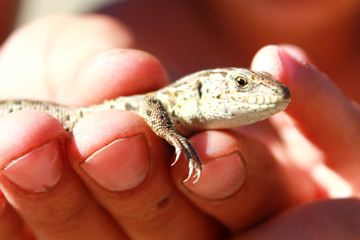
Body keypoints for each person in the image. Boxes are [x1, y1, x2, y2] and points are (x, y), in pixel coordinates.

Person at [0, 0, 359, 239]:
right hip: (50, 120)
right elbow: (151, 110)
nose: (258, 92)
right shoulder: (167, 103)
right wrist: (169, 136)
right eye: (240, 84)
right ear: (205, 88)